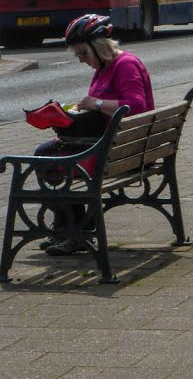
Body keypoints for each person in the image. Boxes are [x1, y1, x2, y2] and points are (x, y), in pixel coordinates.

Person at [36, 14, 155, 256]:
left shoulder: (125, 65)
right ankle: (70, 228)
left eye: (83, 53)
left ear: (98, 47)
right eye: (78, 55)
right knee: (47, 153)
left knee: (48, 158)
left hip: (122, 151)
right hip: (118, 146)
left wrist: (96, 103)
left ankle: (75, 231)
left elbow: (137, 106)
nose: (81, 60)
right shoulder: (104, 66)